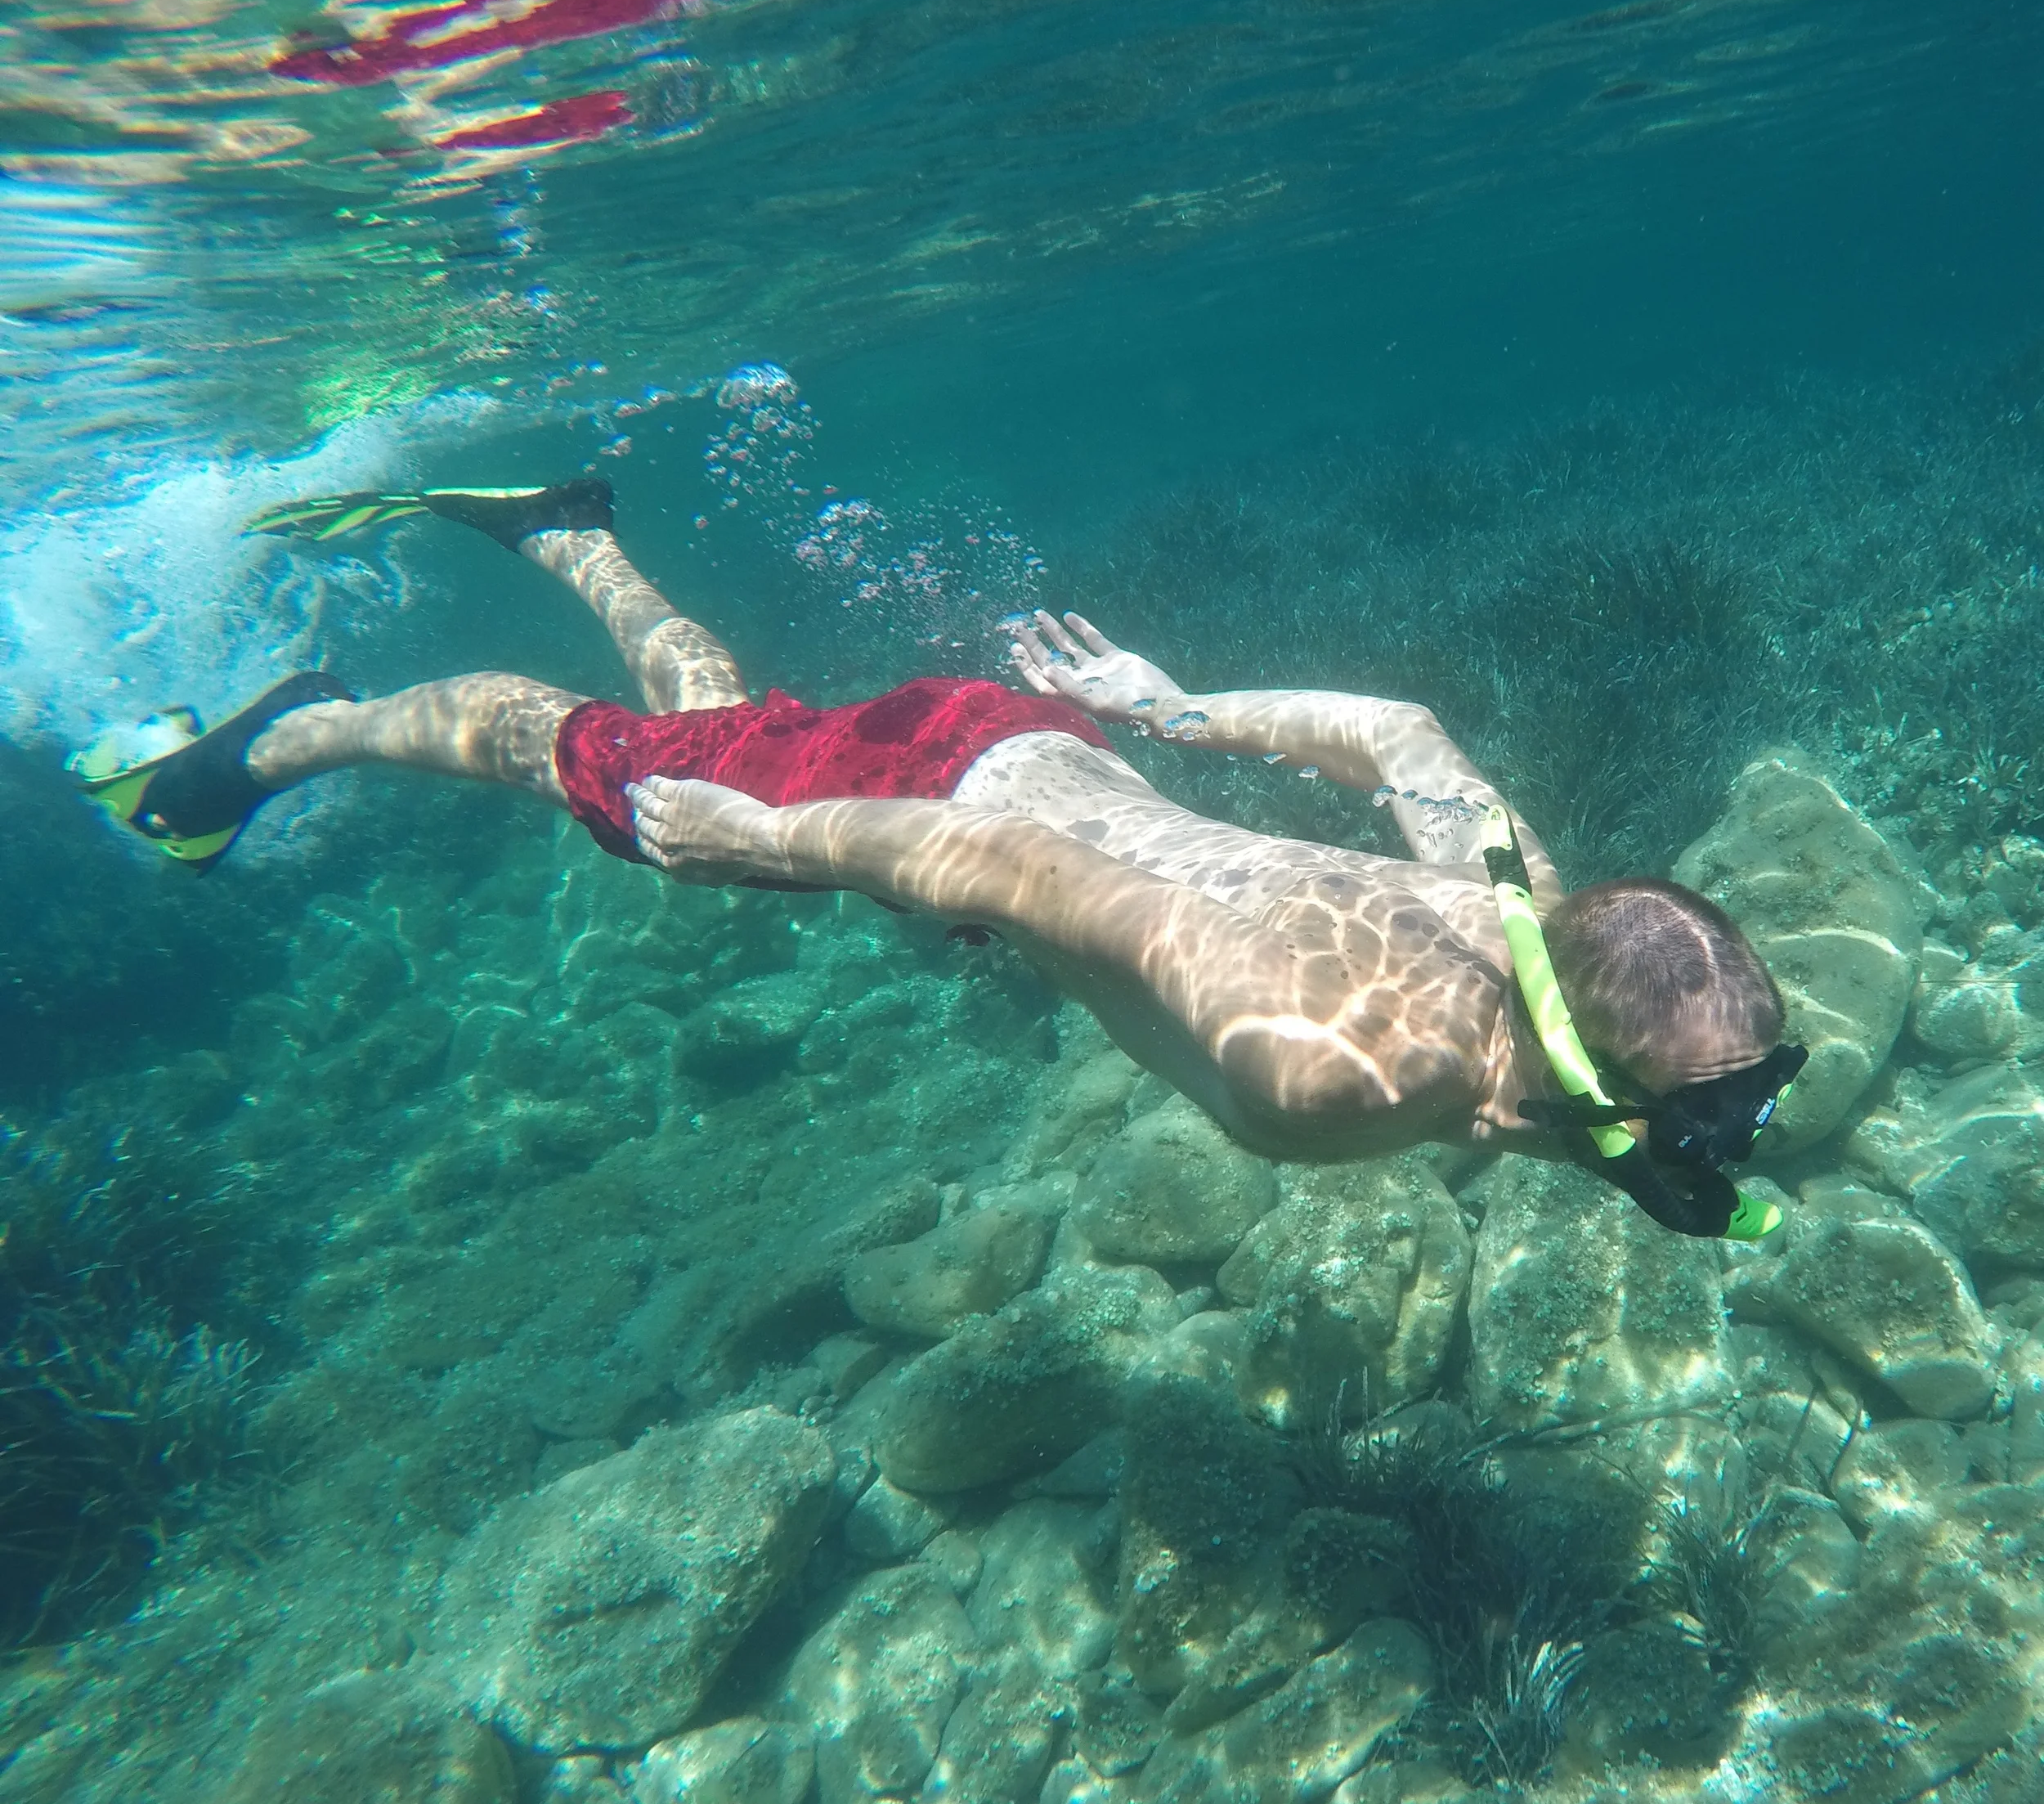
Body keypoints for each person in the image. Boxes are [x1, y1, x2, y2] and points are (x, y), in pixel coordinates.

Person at [77, 479, 1804, 1238]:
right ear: (1577, 1056)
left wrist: (1175, 707)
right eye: (1715, 1110)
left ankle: (573, 533)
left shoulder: (1518, 895)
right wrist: (777, 842)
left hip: (1041, 745)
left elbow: (1404, 738)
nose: (1732, 1136)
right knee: (582, 760)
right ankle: (280, 738)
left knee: (707, 722)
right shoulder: (1330, 1071)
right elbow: (1021, 883)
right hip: (938, 801)